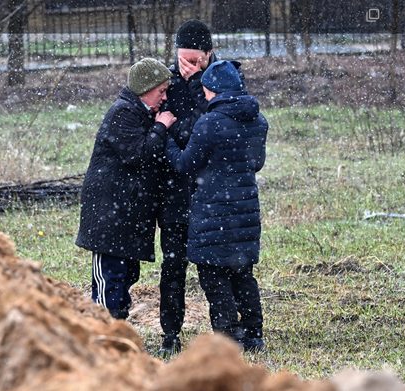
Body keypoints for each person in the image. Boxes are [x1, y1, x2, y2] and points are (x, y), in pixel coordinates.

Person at [164, 60, 268, 353]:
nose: (205, 97)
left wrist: (168, 137)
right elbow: (256, 163)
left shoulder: (209, 123)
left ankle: (227, 338)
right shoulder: (258, 120)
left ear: (213, 90)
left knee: (214, 276)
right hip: (245, 212)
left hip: (213, 212)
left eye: (206, 92)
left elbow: (185, 164)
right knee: (243, 275)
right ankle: (254, 336)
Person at [157, 19, 247, 357]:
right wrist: (180, 132)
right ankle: (170, 334)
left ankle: (228, 335)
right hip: (175, 192)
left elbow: (205, 129)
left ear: (210, 54)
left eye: (196, 60)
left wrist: (197, 83)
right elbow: (172, 131)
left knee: (219, 268)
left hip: (213, 195)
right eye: (184, 60)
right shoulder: (167, 83)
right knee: (173, 267)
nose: (188, 67)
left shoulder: (226, 81)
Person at [76, 58, 177, 320]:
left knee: (126, 273)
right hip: (109, 214)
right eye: (161, 91)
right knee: (110, 277)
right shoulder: (122, 113)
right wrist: (161, 127)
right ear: (145, 88)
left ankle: (116, 327)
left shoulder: (140, 112)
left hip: (125, 213)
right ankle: (103, 331)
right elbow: (139, 155)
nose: (164, 98)